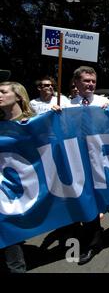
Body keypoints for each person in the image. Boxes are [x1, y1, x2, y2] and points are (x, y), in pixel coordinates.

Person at [53, 66, 109, 265]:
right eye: (86, 80)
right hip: (79, 161)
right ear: (76, 83)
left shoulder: (104, 102)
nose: (90, 84)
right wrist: (55, 116)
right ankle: (93, 242)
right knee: (88, 199)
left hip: (102, 160)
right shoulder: (68, 106)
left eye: (93, 81)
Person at [0, 81, 35, 273]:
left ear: (19, 97)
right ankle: (17, 267)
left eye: (3, 92)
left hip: (31, 182)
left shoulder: (34, 122)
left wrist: (56, 116)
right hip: (5, 185)